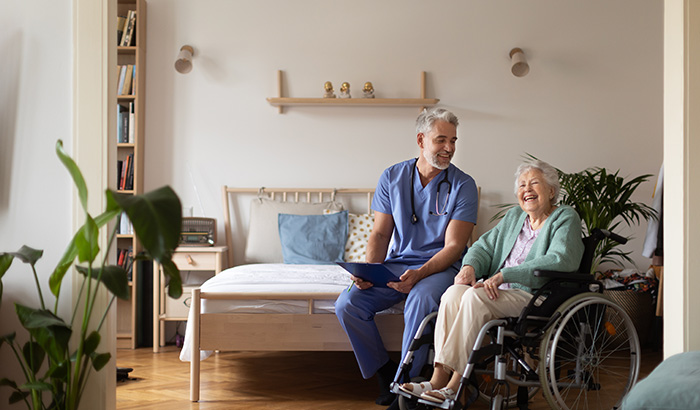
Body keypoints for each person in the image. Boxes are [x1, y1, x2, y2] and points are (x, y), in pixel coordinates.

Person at [398, 160, 584, 404]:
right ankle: (437, 378)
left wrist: (506, 275)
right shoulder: (515, 217)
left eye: (534, 183)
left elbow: (561, 259)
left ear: (551, 191)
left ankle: (456, 385)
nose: (526, 189)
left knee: (475, 297)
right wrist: (469, 267)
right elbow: (483, 247)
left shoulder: (565, 217)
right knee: (454, 292)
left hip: (533, 296)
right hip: (497, 293)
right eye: (522, 185)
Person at [335, 107, 479, 407]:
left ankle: (406, 383)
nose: (449, 148)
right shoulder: (393, 176)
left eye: (453, 141)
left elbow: (454, 246)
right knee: (348, 303)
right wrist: (369, 270)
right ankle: (384, 371)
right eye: (441, 140)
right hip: (398, 263)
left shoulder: (463, 185)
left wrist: (420, 274)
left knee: (420, 300)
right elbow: (379, 234)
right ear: (421, 139)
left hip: (441, 266)